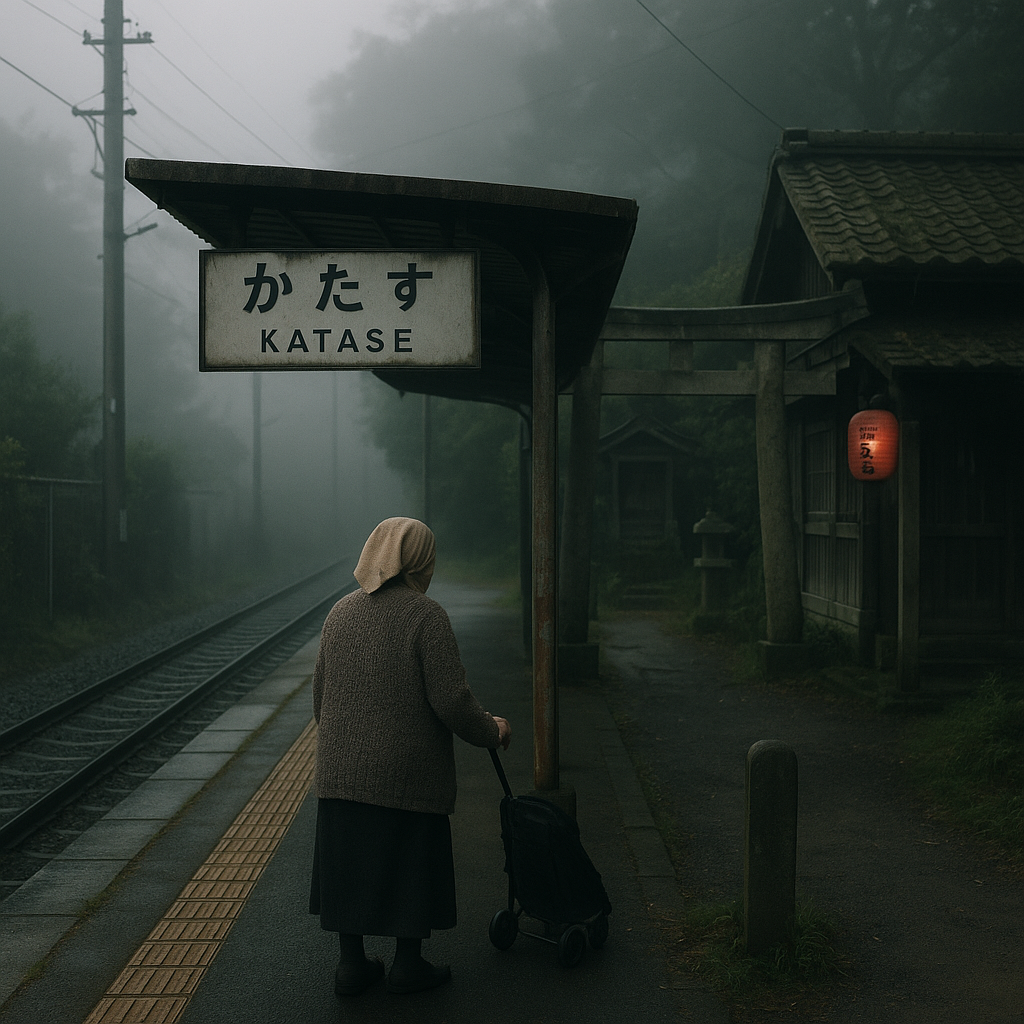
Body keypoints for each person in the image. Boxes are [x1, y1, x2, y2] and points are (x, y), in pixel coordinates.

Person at [309, 517, 512, 997]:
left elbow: (320, 694)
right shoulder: (426, 616)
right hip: (407, 777)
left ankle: (352, 965)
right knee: (410, 862)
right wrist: (492, 731)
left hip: (340, 775)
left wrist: (346, 745)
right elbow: (452, 701)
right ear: (420, 560)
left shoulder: (339, 612)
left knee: (349, 864)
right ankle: (407, 964)